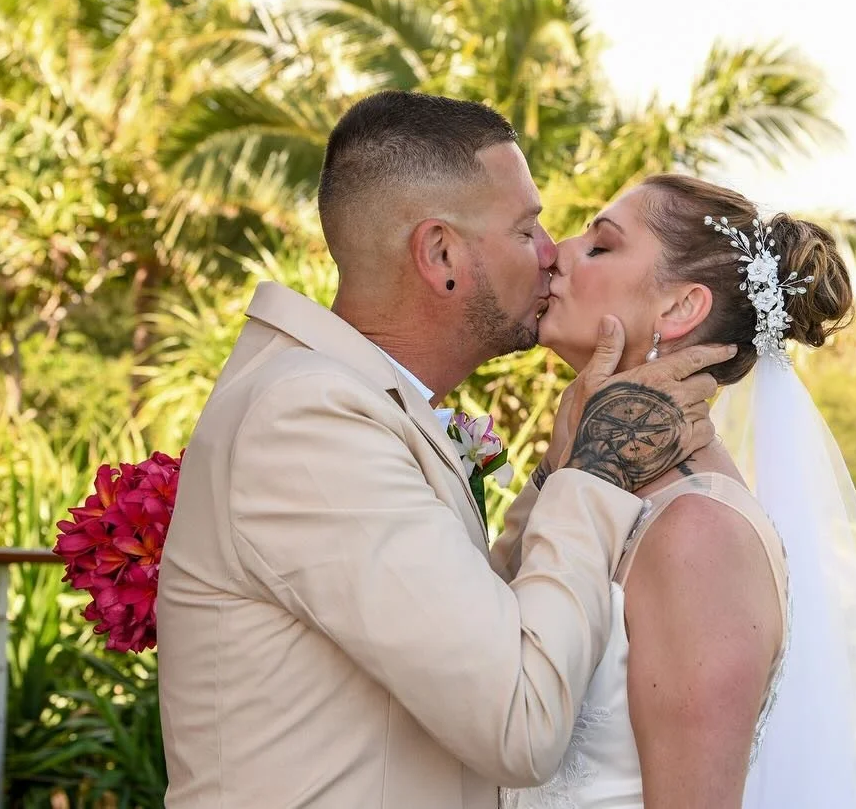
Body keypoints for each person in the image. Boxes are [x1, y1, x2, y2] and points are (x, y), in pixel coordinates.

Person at [155, 93, 736, 808]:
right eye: (526, 230)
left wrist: (558, 473)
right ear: (440, 254)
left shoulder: (356, 402)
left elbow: (459, 627)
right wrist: (596, 470)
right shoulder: (307, 420)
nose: (552, 252)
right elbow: (518, 722)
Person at [496, 174, 856, 809]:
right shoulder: (593, 485)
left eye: (600, 245)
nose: (558, 252)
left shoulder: (698, 535)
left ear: (679, 309)